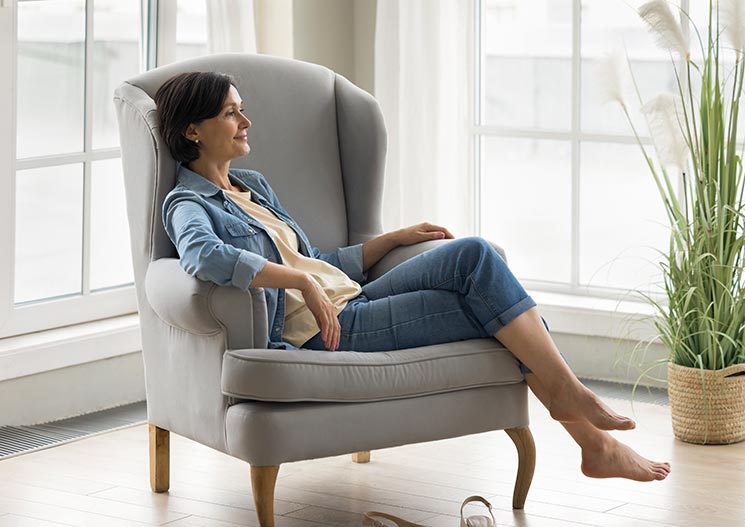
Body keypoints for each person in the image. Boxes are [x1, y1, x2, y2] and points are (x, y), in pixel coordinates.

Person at [155, 71, 670, 482]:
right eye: (230, 112)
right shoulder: (185, 203)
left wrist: (394, 239)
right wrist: (299, 283)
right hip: (322, 329)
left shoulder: (253, 186)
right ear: (192, 131)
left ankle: (574, 411)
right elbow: (204, 256)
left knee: (473, 255)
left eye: (242, 108)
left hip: (351, 297)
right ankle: (588, 432)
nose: (246, 121)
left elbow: (316, 258)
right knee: (493, 310)